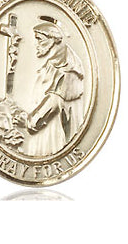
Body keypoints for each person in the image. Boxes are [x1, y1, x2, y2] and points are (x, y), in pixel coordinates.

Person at [16, 19, 84, 156]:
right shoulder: (52, 64)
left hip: (54, 137)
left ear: (54, 40)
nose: (36, 44)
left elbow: (54, 103)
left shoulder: (69, 69)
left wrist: (29, 122)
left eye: (39, 39)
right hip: (44, 135)